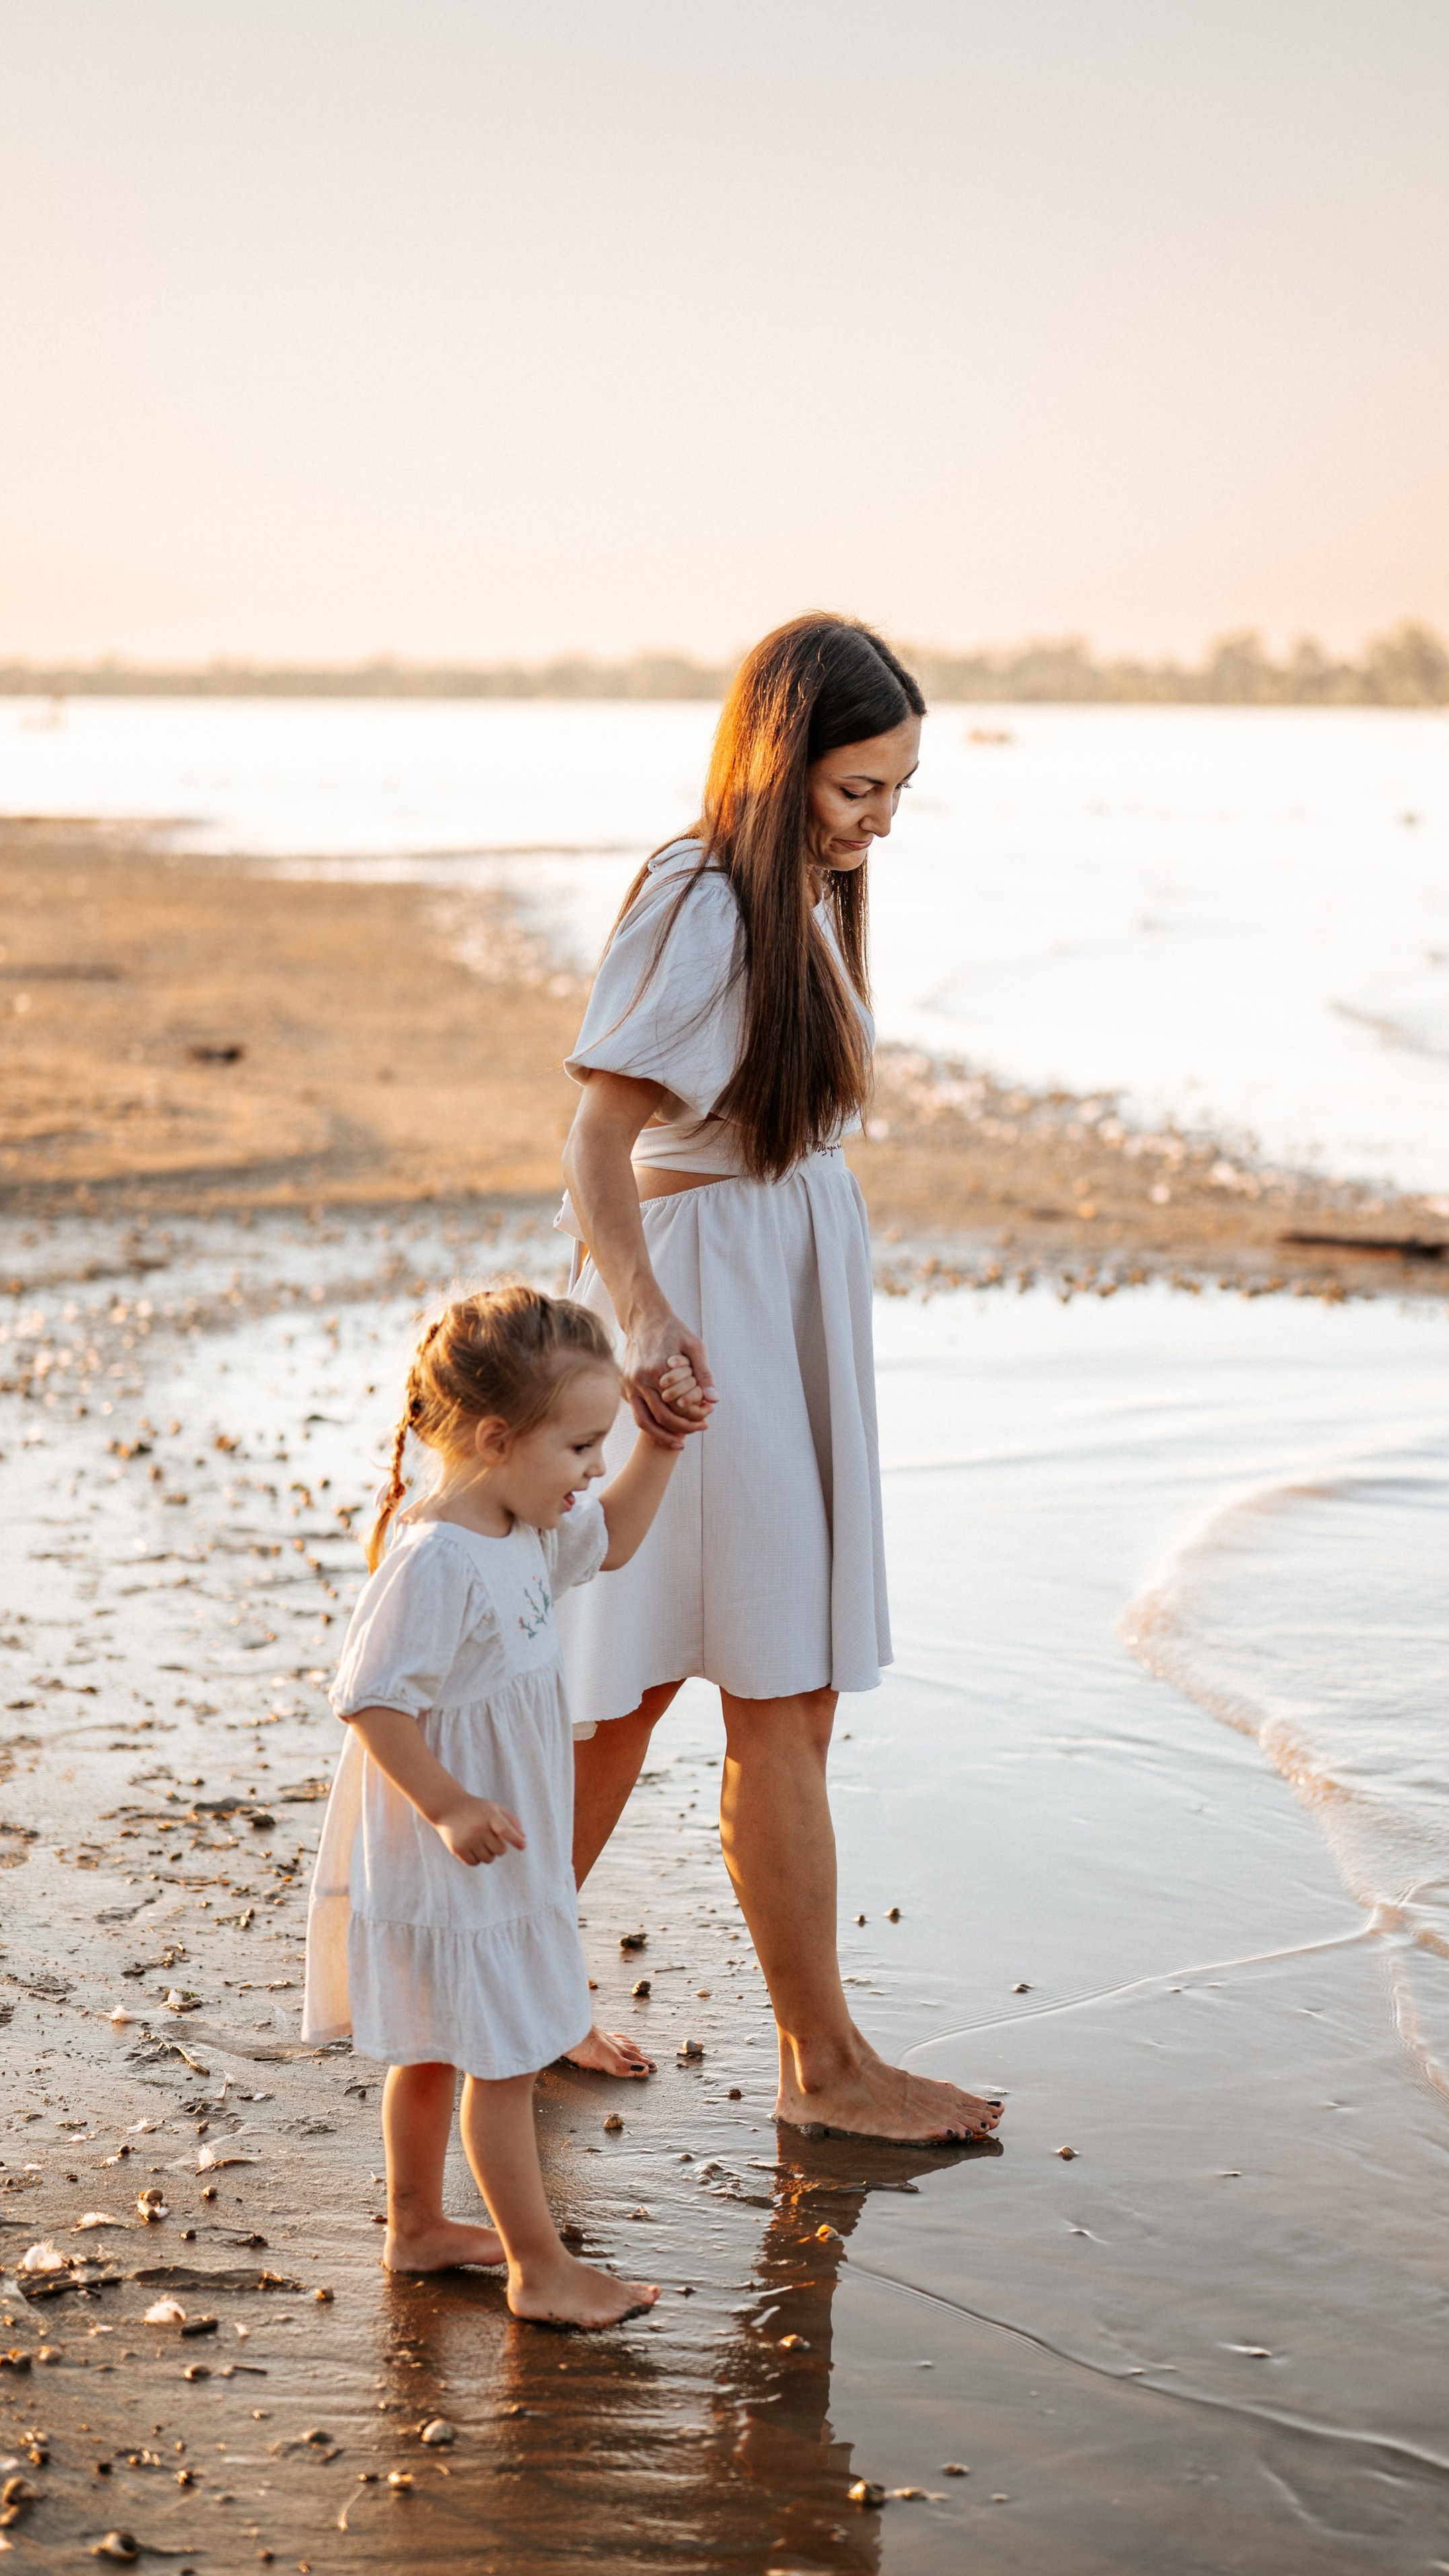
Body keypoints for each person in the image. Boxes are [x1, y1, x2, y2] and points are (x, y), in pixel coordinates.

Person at [555, 612, 1002, 2147]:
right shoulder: (697, 891)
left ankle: (509, 1996)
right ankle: (822, 2069)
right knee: (763, 1685)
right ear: (781, 760)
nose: (880, 823)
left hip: (773, 1289)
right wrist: (642, 1322)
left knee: (643, 1680)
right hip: (711, 1307)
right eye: (857, 789)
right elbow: (597, 1145)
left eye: (898, 794)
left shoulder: (801, 894)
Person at [301, 1283, 696, 2327]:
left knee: (437, 2046)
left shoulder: (519, 1525)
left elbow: (610, 1539)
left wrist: (663, 1445)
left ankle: (418, 2227)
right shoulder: (437, 1558)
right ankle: (539, 2267)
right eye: (578, 1447)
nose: (592, 1468)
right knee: (507, 2058)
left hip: (491, 1842)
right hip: (455, 1845)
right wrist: (446, 1804)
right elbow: (371, 1700)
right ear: (493, 1436)